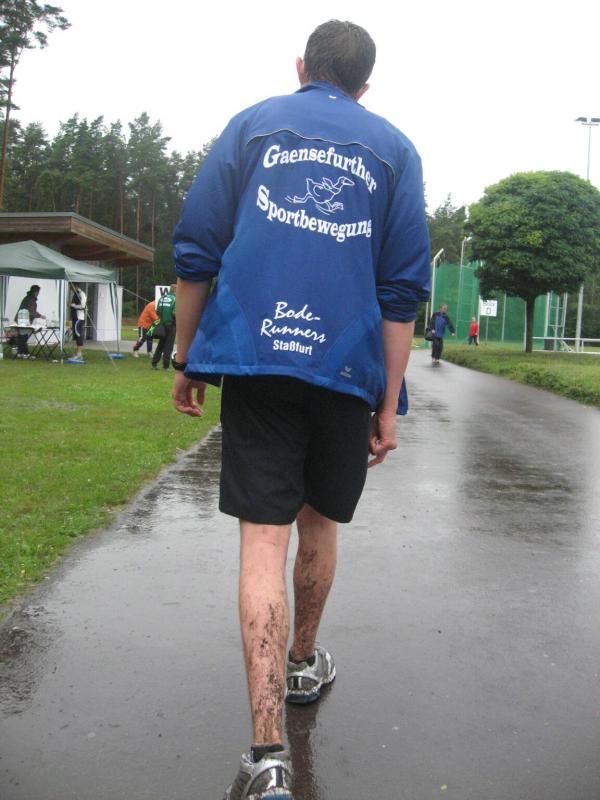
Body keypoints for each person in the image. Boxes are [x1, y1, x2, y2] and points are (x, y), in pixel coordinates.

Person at [171, 20, 430, 800]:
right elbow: (401, 292)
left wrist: (185, 356)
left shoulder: (252, 126)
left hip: (258, 360)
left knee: (263, 545)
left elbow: (197, 249)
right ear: (365, 85)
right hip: (345, 369)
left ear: (300, 67)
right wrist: (388, 404)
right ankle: (302, 663)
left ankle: (266, 755)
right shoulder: (394, 149)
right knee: (319, 526)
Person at [14, 284, 46, 359]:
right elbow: (31, 312)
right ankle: (25, 354)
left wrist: (39, 315)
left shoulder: (27, 297)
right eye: (38, 292)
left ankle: (20, 353)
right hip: (24, 321)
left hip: (20, 320)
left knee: (21, 337)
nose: (38, 294)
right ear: (35, 292)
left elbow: (31, 311)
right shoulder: (31, 299)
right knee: (24, 337)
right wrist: (40, 316)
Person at [151, 285, 176, 370]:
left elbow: (157, 311)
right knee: (169, 346)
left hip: (162, 325)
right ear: (175, 290)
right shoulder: (175, 299)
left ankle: (154, 363)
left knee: (161, 344)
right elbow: (175, 313)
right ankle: (166, 366)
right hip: (171, 324)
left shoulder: (162, 298)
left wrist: (163, 318)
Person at [69, 282, 87, 362]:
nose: (70, 288)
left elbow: (83, 306)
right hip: (75, 317)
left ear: (76, 286)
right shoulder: (75, 293)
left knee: (79, 335)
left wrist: (73, 306)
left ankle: (79, 355)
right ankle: (78, 354)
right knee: (76, 336)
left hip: (79, 318)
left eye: (71, 286)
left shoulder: (81, 294)